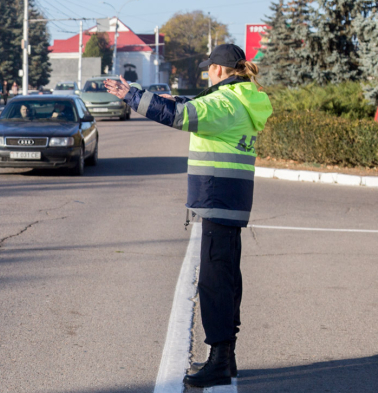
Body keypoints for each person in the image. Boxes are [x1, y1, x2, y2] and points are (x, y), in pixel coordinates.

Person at [105, 44, 273, 389]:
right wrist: (161, 97)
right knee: (227, 279)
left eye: (209, 67)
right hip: (231, 198)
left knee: (215, 284)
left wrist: (131, 95)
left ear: (219, 70)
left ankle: (219, 361)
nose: (206, 72)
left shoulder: (225, 103)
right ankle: (227, 358)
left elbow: (180, 116)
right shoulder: (242, 98)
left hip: (217, 196)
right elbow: (191, 106)